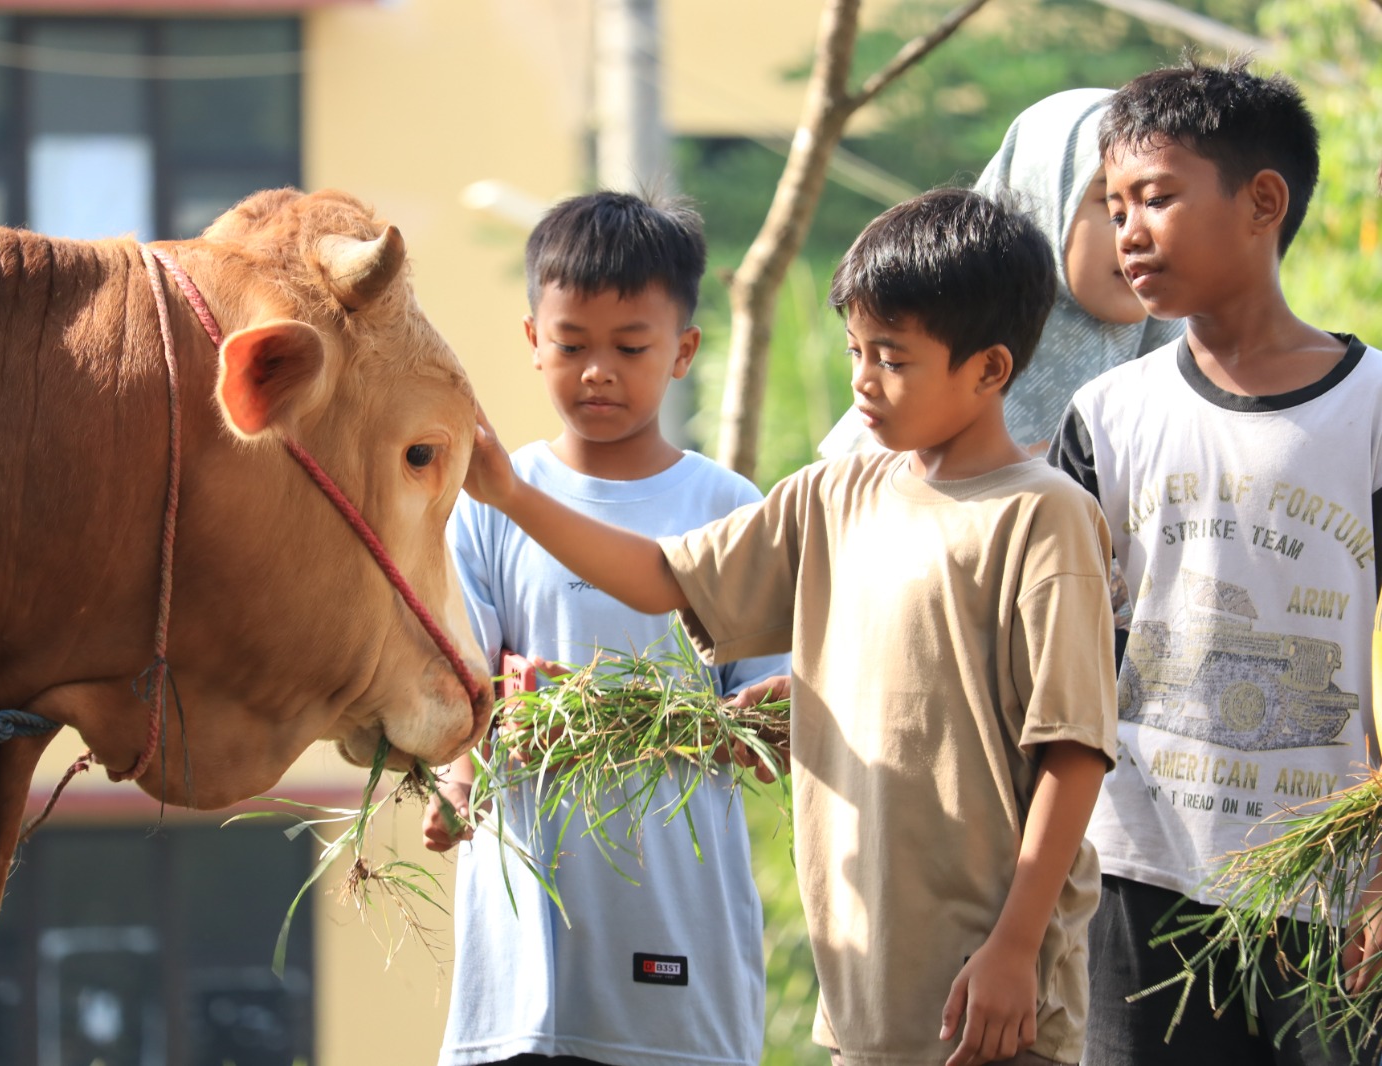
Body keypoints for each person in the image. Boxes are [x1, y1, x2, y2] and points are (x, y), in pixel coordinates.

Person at [460, 186, 1119, 1066]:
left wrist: (1016, 947)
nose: (861, 381)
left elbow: (1074, 752)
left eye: (892, 358)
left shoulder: (1044, 516)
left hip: (992, 992)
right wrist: (509, 494)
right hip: (864, 987)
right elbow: (663, 578)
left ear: (990, 369)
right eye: (856, 349)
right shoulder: (832, 493)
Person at [1047, 58, 1382, 1065]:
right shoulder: (1105, 420)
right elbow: (1068, 663)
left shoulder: (1368, 409)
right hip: (1138, 879)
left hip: (1329, 886)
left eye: (1155, 196)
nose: (1127, 231)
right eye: (1113, 205)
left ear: (1261, 202)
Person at [422, 190, 790, 1066]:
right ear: (531, 341)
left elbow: (767, 725)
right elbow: (465, 690)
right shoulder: (483, 511)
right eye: (572, 345)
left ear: (683, 353)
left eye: (630, 348)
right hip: (523, 930)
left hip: (672, 907)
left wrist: (640, 712)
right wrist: (458, 779)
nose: (598, 372)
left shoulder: (726, 509)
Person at [817, 88, 1183, 461]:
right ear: (1040, 190)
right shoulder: (875, 463)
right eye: (1112, 202)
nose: (1137, 233)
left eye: (1157, 201)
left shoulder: (1204, 393)